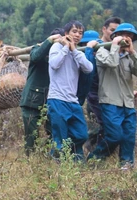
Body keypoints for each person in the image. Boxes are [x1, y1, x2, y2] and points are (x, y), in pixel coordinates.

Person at [88, 23, 137, 169]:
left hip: (128, 103)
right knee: (114, 136)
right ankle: (94, 159)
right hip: (110, 102)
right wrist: (115, 46)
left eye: (130, 37)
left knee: (128, 137)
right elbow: (112, 63)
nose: (127, 39)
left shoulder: (129, 56)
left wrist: (132, 53)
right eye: (124, 35)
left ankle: (126, 165)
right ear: (115, 36)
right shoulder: (102, 51)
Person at [47, 20, 93, 160]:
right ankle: (60, 164)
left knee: (81, 134)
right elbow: (54, 64)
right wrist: (66, 47)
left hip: (73, 101)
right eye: (74, 32)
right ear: (66, 33)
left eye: (80, 33)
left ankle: (62, 155)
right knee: (60, 136)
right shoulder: (56, 47)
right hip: (57, 99)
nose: (78, 35)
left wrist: (73, 50)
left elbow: (89, 68)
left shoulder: (78, 53)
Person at [20, 28, 64, 156]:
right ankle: (31, 161)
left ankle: (49, 157)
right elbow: (36, 56)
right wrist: (49, 41)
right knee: (31, 135)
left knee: (54, 132)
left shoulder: (64, 54)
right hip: (32, 100)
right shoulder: (38, 49)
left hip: (52, 100)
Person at [86, 17, 121, 127]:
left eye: (117, 32)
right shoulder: (95, 46)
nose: (114, 34)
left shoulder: (116, 49)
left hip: (113, 96)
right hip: (95, 94)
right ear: (104, 29)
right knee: (97, 128)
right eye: (112, 30)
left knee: (112, 130)